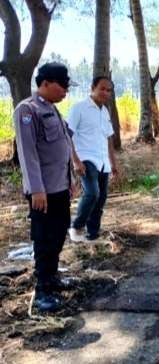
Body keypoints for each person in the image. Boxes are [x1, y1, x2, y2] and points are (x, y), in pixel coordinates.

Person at [13, 62, 78, 312]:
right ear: (46, 83)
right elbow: (27, 154)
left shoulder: (52, 109)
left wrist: (71, 180)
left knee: (60, 233)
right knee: (44, 239)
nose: (65, 91)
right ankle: (42, 291)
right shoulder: (27, 110)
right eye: (62, 85)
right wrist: (36, 189)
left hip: (59, 187)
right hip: (43, 192)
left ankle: (52, 277)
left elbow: (62, 150)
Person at [67, 76, 120, 242]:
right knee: (92, 193)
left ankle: (92, 234)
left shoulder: (104, 111)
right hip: (85, 158)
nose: (105, 92)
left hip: (102, 160)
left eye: (109, 90)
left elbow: (109, 138)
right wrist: (75, 161)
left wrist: (113, 163)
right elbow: (67, 136)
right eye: (102, 88)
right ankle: (76, 226)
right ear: (92, 88)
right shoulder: (79, 108)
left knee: (101, 198)